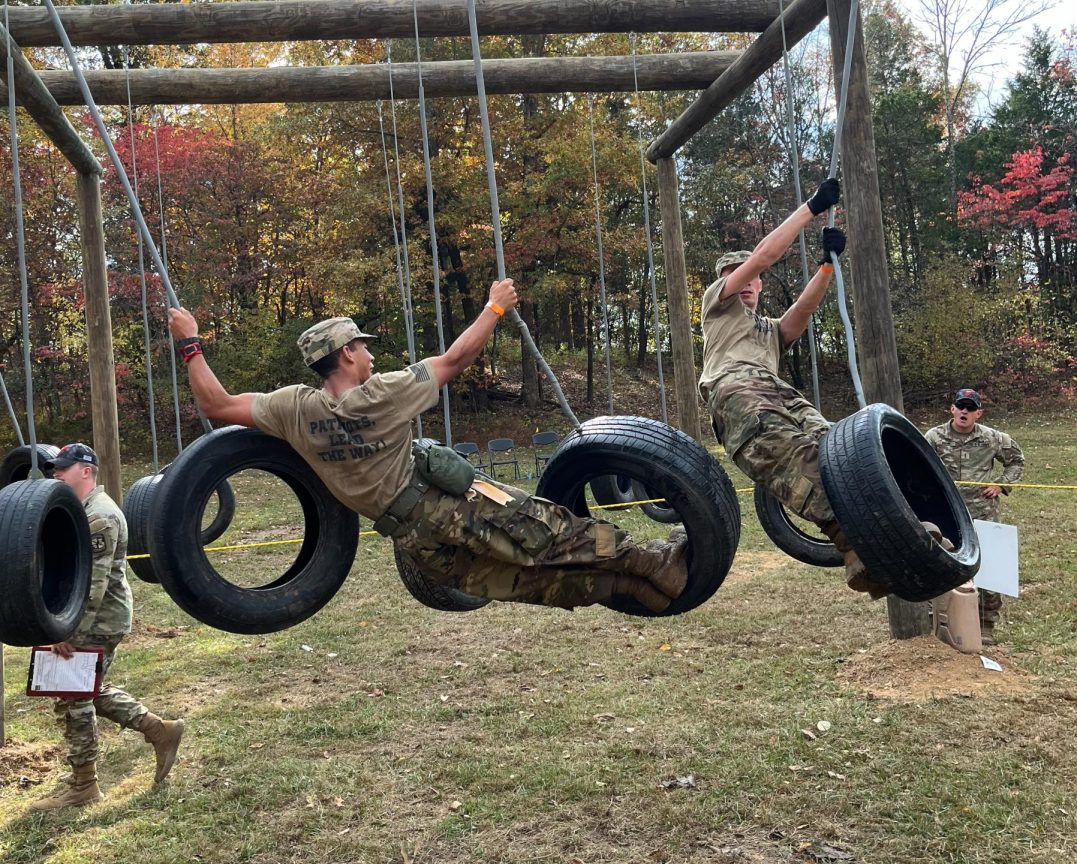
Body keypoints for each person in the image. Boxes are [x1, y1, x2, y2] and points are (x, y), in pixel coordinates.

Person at [167, 279, 688, 614]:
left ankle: (642, 591)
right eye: (363, 349)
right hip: (451, 506)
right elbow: (457, 359)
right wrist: (494, 308)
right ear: (347, 354)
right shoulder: (382, 394)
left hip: (412, 539)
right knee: (554, 531)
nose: (370, 356)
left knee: (526, 584)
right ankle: (652, 564)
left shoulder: (294, 409)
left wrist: (190, 342)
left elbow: (216, 405)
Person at [697, 177, 887, 598]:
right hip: (735, 388)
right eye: (735, 273)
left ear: (761, 287)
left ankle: (887, 527)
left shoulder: (766, 330)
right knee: (789, 449)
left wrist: (827, 265)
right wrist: (811, 207)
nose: (744, 280)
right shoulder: (718, 303)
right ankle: (854, 540)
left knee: (837, 446)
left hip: (775, 388)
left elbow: (801, 311)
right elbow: (764, 255)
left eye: (749, 276)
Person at [30, 443, 184, 811]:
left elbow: (94, 584)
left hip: (97, 619)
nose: (55, 474)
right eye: (53, 469)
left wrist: (68, 631)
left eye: (62, 468)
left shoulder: (99, 516)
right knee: (86, 691)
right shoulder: (79, 511)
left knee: (75, 697)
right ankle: (159, 730)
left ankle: (84, 786)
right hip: (87, 616)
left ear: (86, 471)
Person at [925, 389, 1025, 645]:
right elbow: (919, 465)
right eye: (961, 406)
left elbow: (1016, 461)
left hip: (982, 512)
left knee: (989, 568)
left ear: (978, 413)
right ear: (952, 409)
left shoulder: (993, 438)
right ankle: (935, 619)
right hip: (944, 513)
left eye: (971, 408)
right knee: (940, 563)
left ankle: (985, 624)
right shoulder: (933, 437)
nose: (965, 412)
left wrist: (1002, 485)